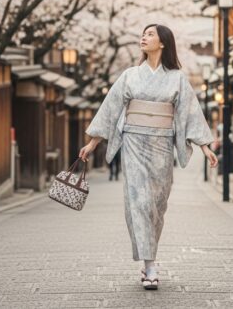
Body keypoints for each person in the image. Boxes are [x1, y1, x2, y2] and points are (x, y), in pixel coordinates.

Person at [78, 24, 218, 290]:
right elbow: (111, 107)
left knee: (157, 204)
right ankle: (150, 264)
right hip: (134, 142)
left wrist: (205, 146)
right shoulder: (130, 75)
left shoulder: (177, 78)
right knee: (139, 201)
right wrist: (93, 142)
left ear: (163, 42)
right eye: (143, 34)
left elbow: (190, 113)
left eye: (150, 34)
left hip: (162, 144)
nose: (144, 37)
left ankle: (149, 257)